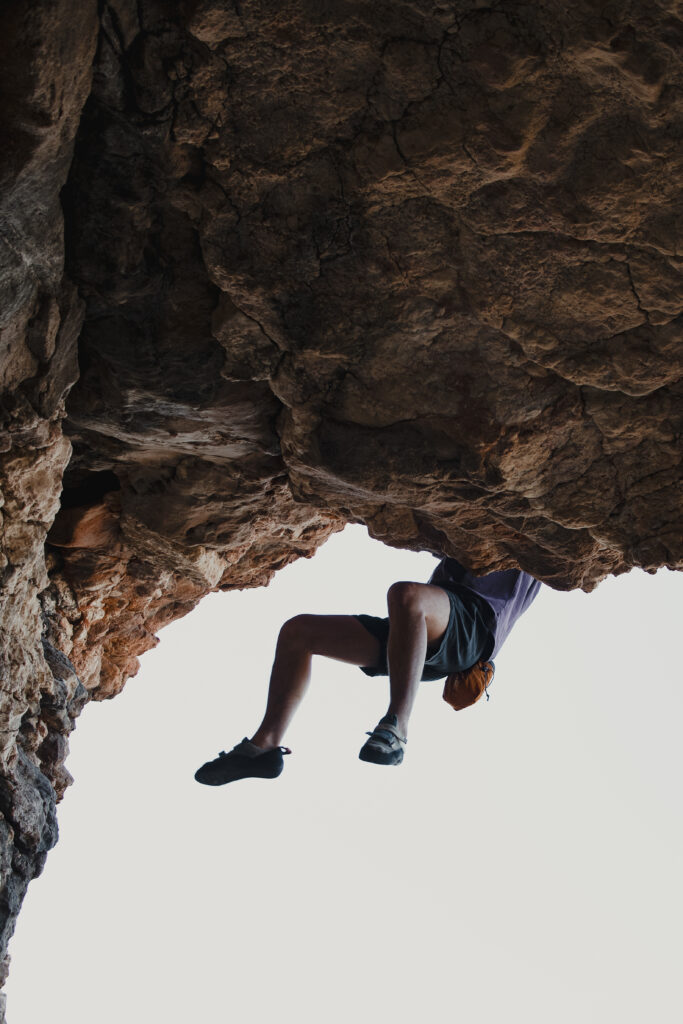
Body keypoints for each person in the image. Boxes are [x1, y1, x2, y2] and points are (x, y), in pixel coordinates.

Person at [194, 556, 541, 785]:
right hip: (424, 627)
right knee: (298, 632)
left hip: (476, 625)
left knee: (408, 596)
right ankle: (262, 749)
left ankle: (397, 730)